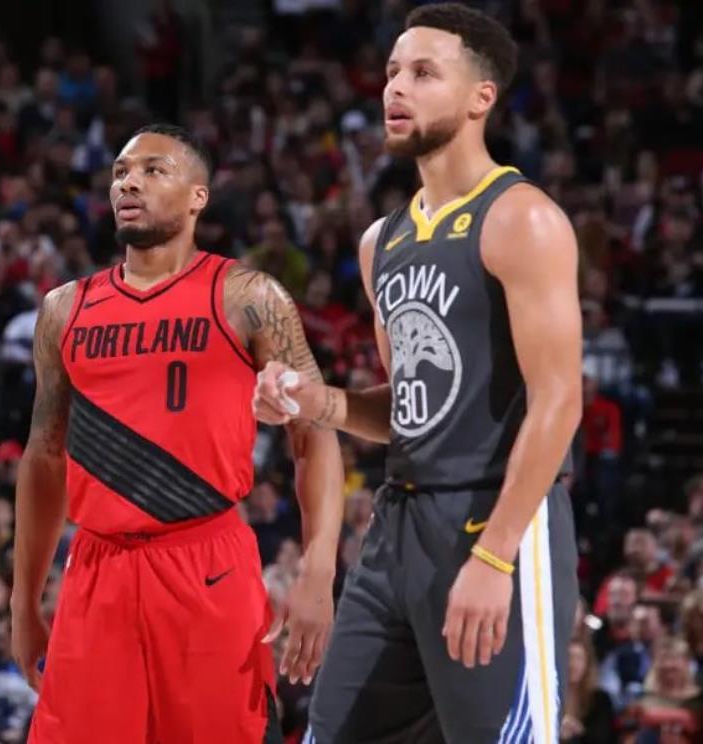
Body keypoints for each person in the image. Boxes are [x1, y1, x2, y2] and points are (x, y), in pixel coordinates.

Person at [253, 5, 583, 742]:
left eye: (424, 73)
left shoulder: (521, 219)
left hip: (493, 519)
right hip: (398, 525)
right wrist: (318, 401)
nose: (395, 88)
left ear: (480, 98)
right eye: (393, 71)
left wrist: (494, 554)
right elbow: (413, 406)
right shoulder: (383, 241)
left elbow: (559, 402)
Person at [12, 123, 343, 743]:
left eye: (153, 170)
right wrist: (23, 600)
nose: (128, 183)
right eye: (120, 172)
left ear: (198, 197)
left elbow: (314, 434)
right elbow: (44, 458)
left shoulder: (249, 296)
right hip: (96, 572)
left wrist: (318, 569)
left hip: (207, 562)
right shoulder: (65, 308)